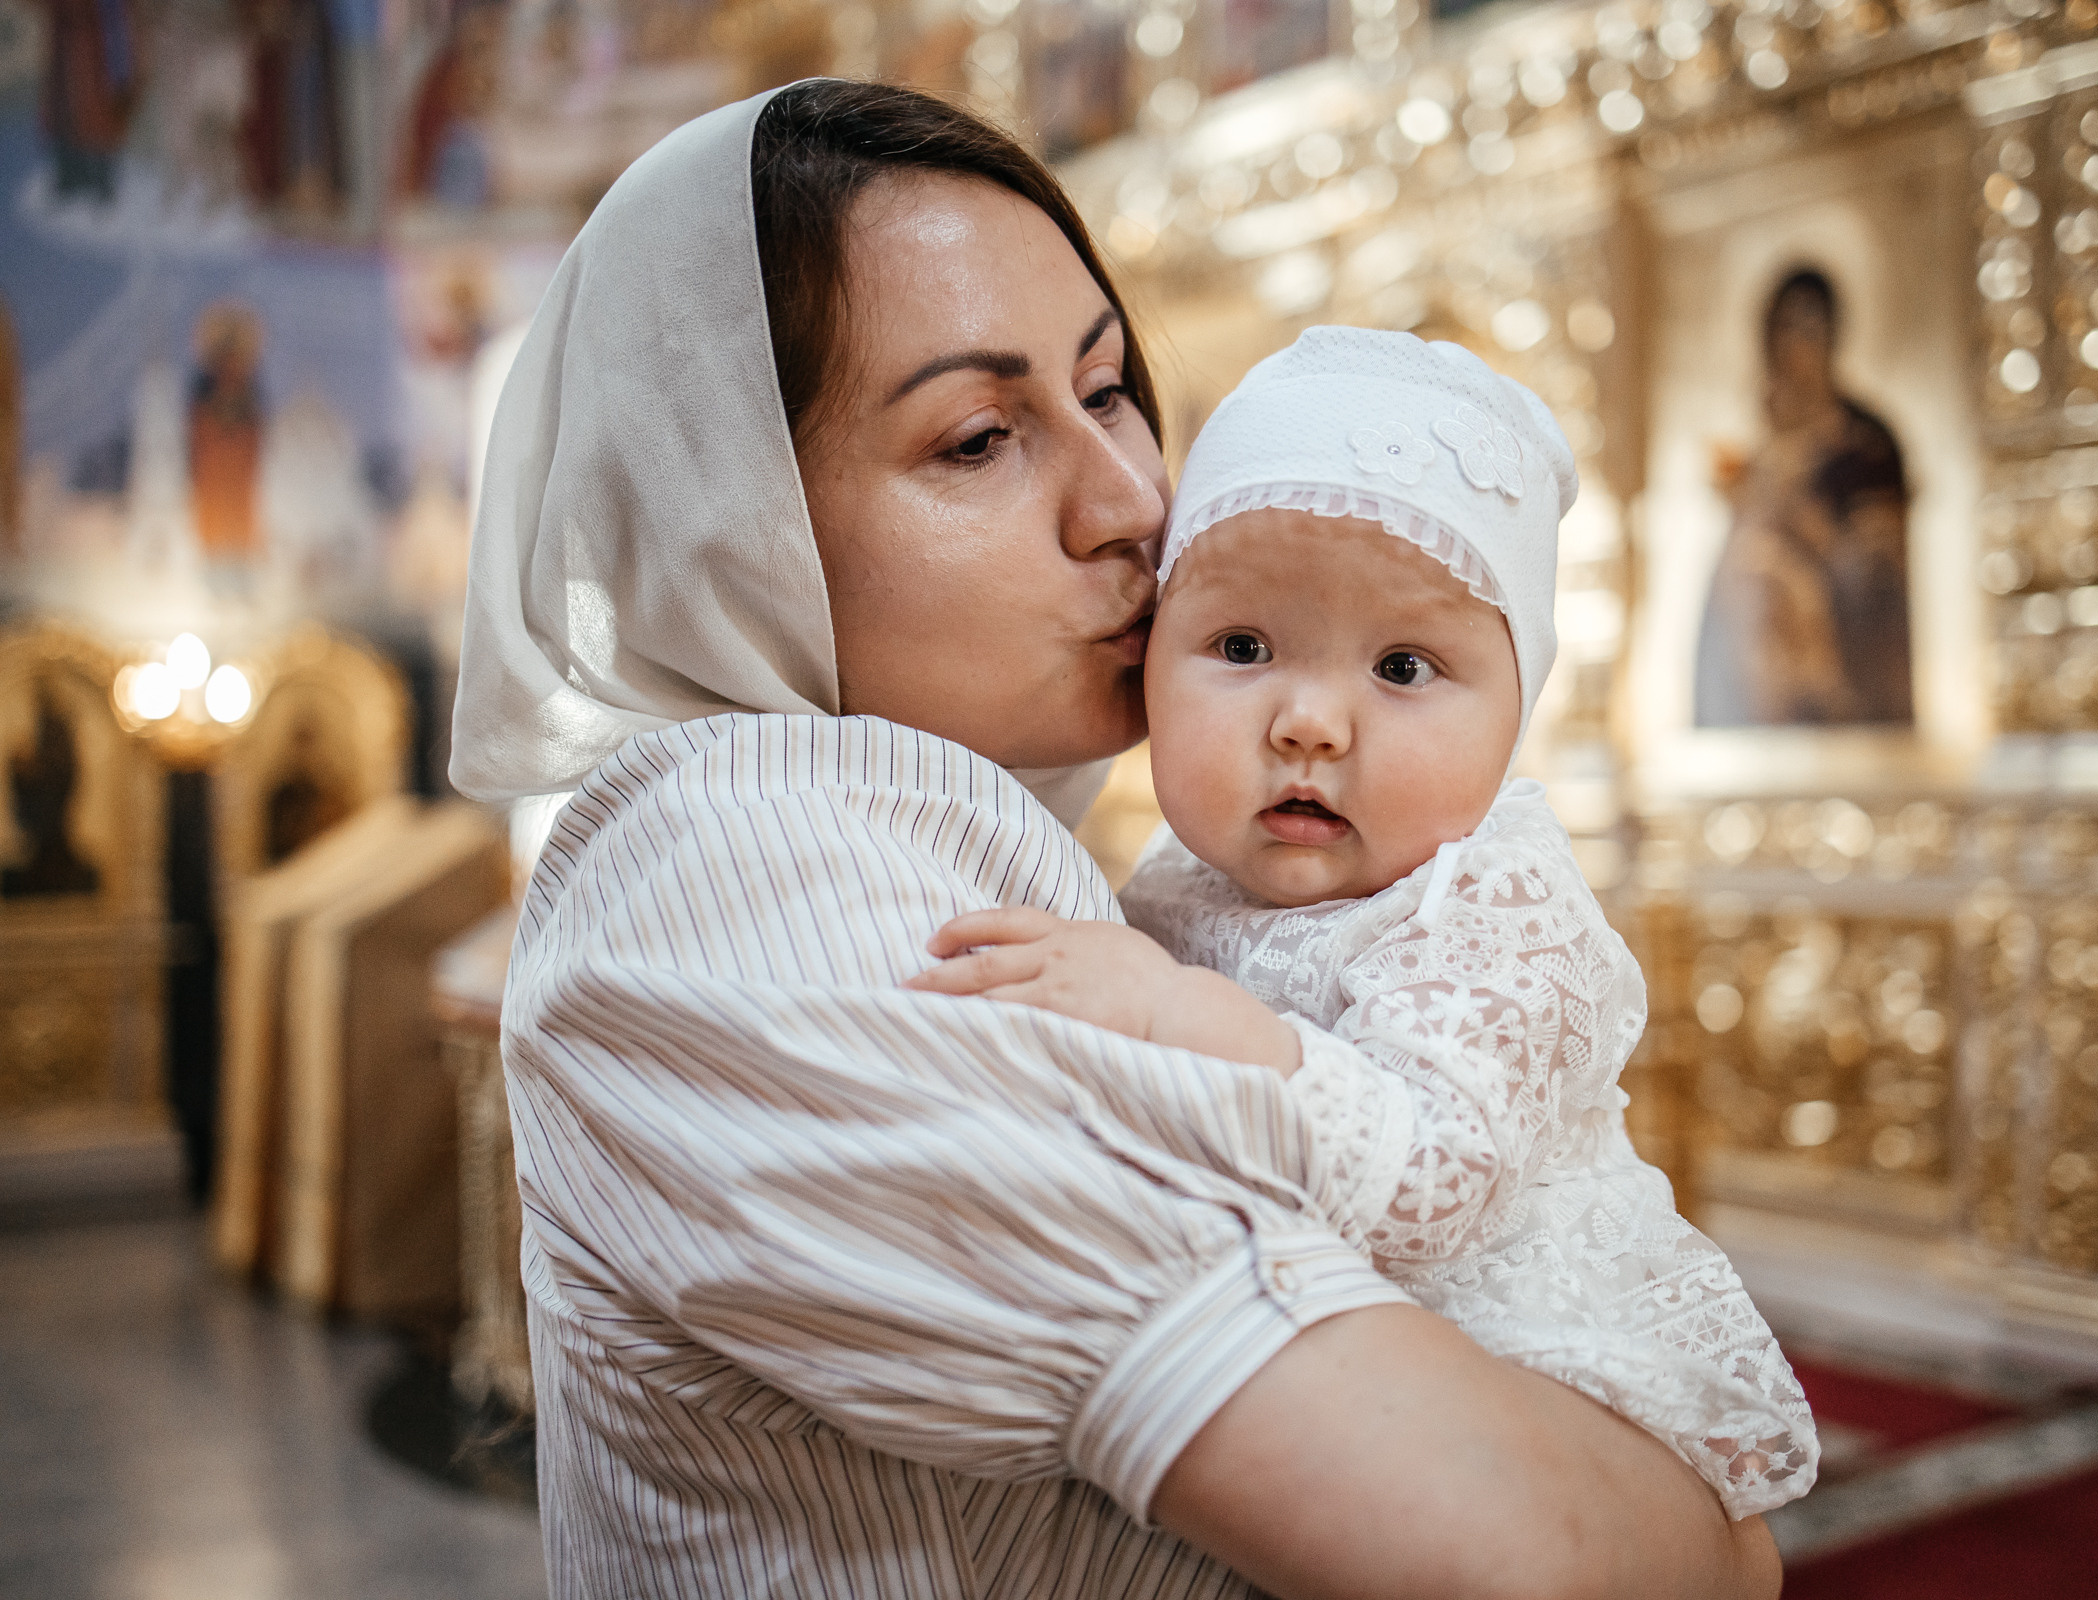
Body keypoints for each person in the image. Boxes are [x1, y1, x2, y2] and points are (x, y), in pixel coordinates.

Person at [451, 78, 1781, 1599]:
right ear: (727, 522)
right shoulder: (733, 864)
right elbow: (1550, 1558)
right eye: (975, 439)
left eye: (1106, 390)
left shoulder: (957, 844)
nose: (1135, 500)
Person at [909, 327, 1818, 1519]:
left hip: (1533, 1408)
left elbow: (1429, 1187)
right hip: (1298, 1404)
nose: (1310, 723)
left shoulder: (1491, 902)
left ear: (1515, 714)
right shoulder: (1181, 872)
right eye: (1240, 647)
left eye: (1402, 667)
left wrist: (1180, 1013)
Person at [1694, 267, 1912, 728]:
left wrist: (1803, 523)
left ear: (1833, 337)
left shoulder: (1866, 446)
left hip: (1841, 638)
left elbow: (1878, 569)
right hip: (1752, 653)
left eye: (1809, 329)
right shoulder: (1754, 442)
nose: (1795, 348)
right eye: (1783, 330)